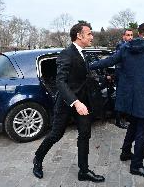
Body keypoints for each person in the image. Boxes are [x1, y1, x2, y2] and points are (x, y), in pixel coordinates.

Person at [90, 23, 144, 177]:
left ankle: (125, 152)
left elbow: (108, 61)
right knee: (143, 130)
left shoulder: (126, 47)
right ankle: (136, 165)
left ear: (138, 33)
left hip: (129, 97)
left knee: (133, 124)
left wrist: (89, 65)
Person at [32, 22, 105, 183]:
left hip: (84, 104)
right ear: (79, 35)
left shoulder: (83, 53)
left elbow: (83, 77)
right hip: (67, 103)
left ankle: (83, 171)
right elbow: (61, 82)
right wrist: (76, 102)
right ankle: (37, 159)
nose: (92, 37)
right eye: (89, 34)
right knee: (56, 135)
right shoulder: (66, 54)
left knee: (85, 135)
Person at [114, 29, 133, 129]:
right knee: (120, 98)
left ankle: (126, 118)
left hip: (128, 75)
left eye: (131, 35)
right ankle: (118, 120)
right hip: (121, 74)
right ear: (123, 36)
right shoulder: (121, 45)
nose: (130, 37)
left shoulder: (130, 45)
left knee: (127, 98)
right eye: (128, 35)